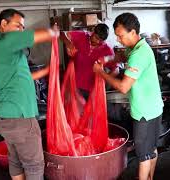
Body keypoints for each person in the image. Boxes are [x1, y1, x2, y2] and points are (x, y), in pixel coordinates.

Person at [0, 9, 58, 180]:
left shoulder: (1, 50)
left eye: (23, 27)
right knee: (34, 165)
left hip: (5, 118)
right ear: (3, 24)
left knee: (16, 160)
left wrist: (48, 71)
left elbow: (23, 77)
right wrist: (56, 31)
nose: (21, 30)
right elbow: (42, 35)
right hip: (20, 117)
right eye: (18, 26)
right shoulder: (5, 40)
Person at [93, 13, 163, 180]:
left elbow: (124, 87)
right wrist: (107, 58)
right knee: (152, 148)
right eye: (117, 36)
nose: (118, 40)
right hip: (154, 107)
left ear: (133, 32)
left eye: (120, 36)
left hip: (144, 112)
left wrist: (101, 73)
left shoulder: (139, 55)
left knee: (143, 154)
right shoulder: (138, 47)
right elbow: (120, 56)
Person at [60, 24, 114, 100]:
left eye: (101, 40)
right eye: (96, 38)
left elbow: (116, 68)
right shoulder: (82, 36)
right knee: (73, 110)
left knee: (90, 111)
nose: (97, 41)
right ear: (93, 31)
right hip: (74, 86)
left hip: (93, 91)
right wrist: (68, 43)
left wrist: (106, 82)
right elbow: (62, 34)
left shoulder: (106, 49)